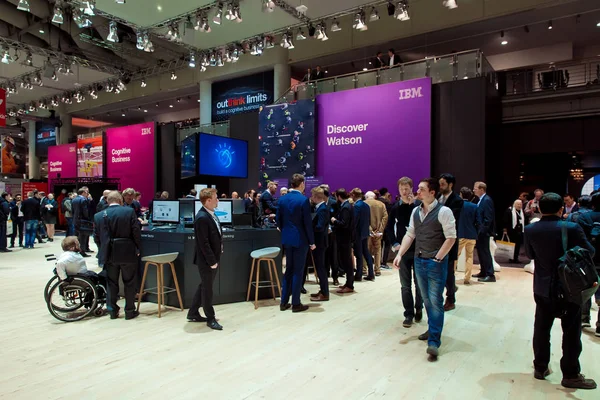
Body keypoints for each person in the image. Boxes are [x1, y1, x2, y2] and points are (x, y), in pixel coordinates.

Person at [524, 192, 597, 389]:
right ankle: (571, 375)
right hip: (569, 287)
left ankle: (540, 368)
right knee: (571, 331)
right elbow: (590, 251)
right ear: (561, 209)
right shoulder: (571, 228)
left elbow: (530, 254)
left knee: (541, 328)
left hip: (542, 286)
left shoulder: (530, 229)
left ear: (539, 208)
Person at [393, 178, 457, 360]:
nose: (417, 192)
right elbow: (410, 234)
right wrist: (399, 254)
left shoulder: (444, 212)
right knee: (427, 298)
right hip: (419, 260)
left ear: (432, 192)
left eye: (421, 189)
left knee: (435, 299)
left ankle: (434, 341)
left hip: (435, 262)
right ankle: (432, 329)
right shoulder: (416, 211)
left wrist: (438, 257)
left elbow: (451, 237)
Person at [93, 191, 141, 320]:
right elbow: (136, 232)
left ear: (107, 201)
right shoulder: (129, 212)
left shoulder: (98, 216)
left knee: (111, 283)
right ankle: (130, 311)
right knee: (129, 282)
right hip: (127, 251)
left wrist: (102, 249)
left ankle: (113, 311)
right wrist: (137, 247)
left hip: (109, 253)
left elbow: (96, 237)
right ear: (120, 200)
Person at [277, 174, 315, 312]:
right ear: (301, 184)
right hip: (300, 240)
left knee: (288, 270)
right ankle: (296, 303)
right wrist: (312, 241)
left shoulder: (282, 199)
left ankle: (283, 302)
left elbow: (278, 221)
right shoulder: (303, 200)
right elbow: (307, 224)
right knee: (298, 272)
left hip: (287, 239)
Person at [388, 177, 423, 328]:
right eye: (401, 188)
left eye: (407, 188)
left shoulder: (419, 206)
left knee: (419, 283)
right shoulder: (395, 207)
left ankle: (419, 308)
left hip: (419, 249)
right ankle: (408, 313)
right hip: (403, 250)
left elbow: (421, 223)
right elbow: (389, 227)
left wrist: (412, 204)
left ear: (411, 189)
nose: (404, 191)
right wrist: (395, 243)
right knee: (405, 285)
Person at [187, 188, 224, 330]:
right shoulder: (202, 217)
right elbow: (203, 243)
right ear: (208, 200)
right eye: (216, 198)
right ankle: (210, 318)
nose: (218, 200)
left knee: (204, 285)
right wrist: (212, 261)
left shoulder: (210, 214)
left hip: (212, 258)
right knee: (208, 289)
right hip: (207, 260)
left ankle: (193, 312)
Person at [576, 192, 600, 335]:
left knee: (585, 288)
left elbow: (579, 239)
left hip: (588, 259)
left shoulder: (584, 217)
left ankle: (584, 319)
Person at [438, 173, 463, 312]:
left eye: (443, 184)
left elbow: (451, 219)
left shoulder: (457, 200)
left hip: (449, 240)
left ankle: (451, 299)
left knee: (448, 272)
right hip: (436, 240)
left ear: (450, 184)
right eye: (440, 184)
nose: (440, 186)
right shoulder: (438, 197)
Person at [331, 188, 355, 294]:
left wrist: (334, 220)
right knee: (346, 261)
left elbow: (344, 223)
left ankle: (350, 285)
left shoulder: (345, 207)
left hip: (345, 238)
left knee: (347, 262)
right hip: (345, 238)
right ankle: (348, 283)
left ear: (339, 196)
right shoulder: (347, 205)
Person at [472, 182, 496, 282]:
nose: (473, 190)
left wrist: (482, 230)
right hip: (480, 231)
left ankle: (490, 274)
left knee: (485, 252)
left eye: (475, 188)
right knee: (481, 252)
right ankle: (484, 271)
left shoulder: (486, 200)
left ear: (482, 189)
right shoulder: (481, 200)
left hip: (483, 232)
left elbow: (488, 218)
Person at [309, 187, 330, 301]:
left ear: (316, 197)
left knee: (321, 268)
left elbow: (320, 226)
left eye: (312, 196)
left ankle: (325, 293)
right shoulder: (321, 208)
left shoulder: (322, 209)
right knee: (320, 267)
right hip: (320, 242)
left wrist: (309, 228)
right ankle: (323, 290)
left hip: (320, 242)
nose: (311, 198)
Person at [350, 188, 375, 281]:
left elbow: (354, 221)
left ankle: (359, 274)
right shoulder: (366, 205)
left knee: (359, 254)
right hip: (365, 232)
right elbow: (368, 220)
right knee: (366, 252)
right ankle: (371, 273)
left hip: (358, 233)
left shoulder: (356, 206)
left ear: (353, 195)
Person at [457, 188, 478, 284]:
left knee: (455, 256)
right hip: (472, 234)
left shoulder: (458, 205)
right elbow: (478, 221)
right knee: (469, 256)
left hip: (460, 234)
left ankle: (451, 276)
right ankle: (467, 278)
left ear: (461, 194)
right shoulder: (475, 206)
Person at [365, 191, 388, 277]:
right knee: (377, 251)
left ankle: (364, 269)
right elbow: (385, 217)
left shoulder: (364, 204)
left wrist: (370, 230)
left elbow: (364, 219)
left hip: (367, 232)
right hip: (378, 232)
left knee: (366, 250)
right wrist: (380, 230)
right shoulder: (381, 204)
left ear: (366, 197)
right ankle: (377, 269)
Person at [321, 185, 340, 285]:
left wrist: (331, 228)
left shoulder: (333, 203)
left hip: (332, 234)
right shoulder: (319, 204)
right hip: (322, 234)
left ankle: (335, 277)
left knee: (333, 256)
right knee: (324, 256)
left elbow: (337, 217)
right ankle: (324, 276)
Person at [72, 188, 92, 257]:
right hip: (82, 221)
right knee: (83, 237)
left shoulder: (74, 199)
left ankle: (76, 250)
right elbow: (85, 211)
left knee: (77, 236)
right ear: (83, 193)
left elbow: (73, 211)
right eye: (86, 193)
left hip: (75, 220)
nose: (87, 194)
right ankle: (82, 251)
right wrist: (88, 218)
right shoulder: (83, 200)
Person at [503, 199, 525, 263]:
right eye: (518, 204)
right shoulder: (509, 210)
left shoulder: (521, 212)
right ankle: (511, 258)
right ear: (514, 204)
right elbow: (505, 221)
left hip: (519, 231)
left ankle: (516, 258)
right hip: (511, 231)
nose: (519, 206)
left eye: (520, 204)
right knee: (512, 245)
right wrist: (505, 230)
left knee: (518, 245)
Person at [379, 188, 393, 269]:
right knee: (387, 244)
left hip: (378, 226)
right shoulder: (387, 203)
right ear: (386, 193)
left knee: (379, 245)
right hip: (387, 226)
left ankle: (378, 261)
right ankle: (384, 262)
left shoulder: (377, 201)